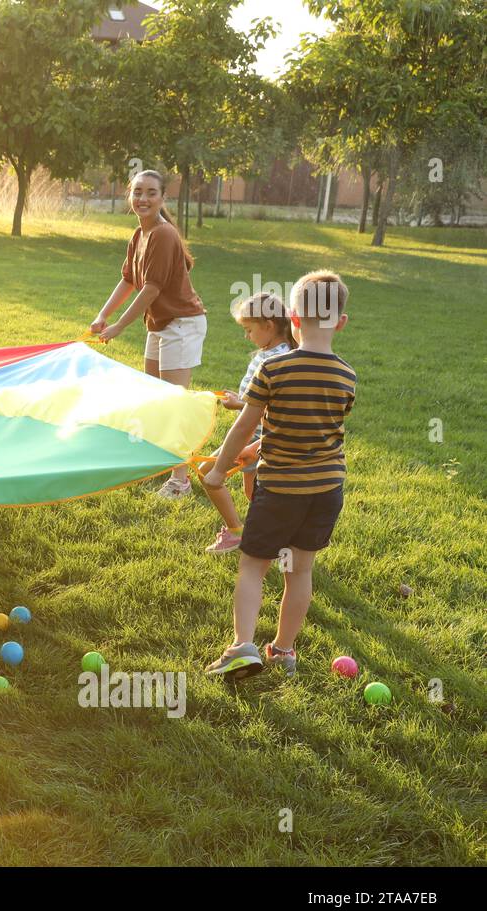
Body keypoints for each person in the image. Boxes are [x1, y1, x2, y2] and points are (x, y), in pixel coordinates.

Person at [203, 271, 355, 679]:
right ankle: (284, 651)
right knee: (299, 571)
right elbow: (318, 432)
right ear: (340, 321)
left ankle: (242, 646)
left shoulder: (273, 370)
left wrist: (219, 471)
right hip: (325, 491)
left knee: (253, 567)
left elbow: (244, 426)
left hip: (280, 489)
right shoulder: (346, 377)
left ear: (292, 318)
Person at [91, 169, 207, 499]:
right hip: (160, 324)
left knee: (174, 403)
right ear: (130, 195)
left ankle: (180, 479)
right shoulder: (138, 235)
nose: (143, 198)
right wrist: (103, 315)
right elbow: (129, 281)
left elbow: (151, 290)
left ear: (162, 198)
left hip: (181, 325)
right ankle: (159, 463)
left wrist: (119, 327)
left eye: (151, 192)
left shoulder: (163, 235)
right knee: (155, 398)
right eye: (137, 191)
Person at [199, 292, 294, 554]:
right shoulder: (275, 352)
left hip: (256, 436)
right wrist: (239, 399)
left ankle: (236, 532)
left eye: (249, 329)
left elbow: (272, 406)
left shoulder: (276, 359)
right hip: (257, 433)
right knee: (254, 492)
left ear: (268, 326)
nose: (246, 336)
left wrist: (240, 405)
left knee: (208, 473)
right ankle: (269, 535)